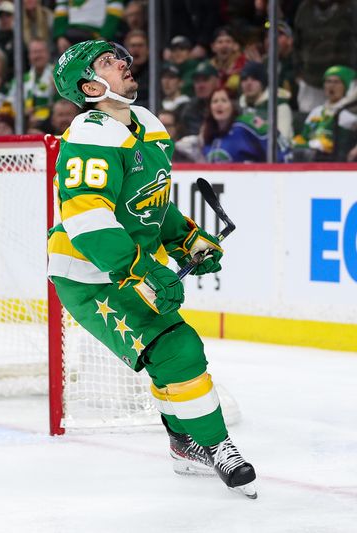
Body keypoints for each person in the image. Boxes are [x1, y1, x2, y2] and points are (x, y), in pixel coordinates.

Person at [49, 40, 257, 497]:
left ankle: (185, 441)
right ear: (89, 85)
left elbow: (150, 205)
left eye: (119, 56)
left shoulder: (147, 125)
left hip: (125, 265)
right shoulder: (89, 134)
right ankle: (213, 445)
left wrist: (186, 239)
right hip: (88, 275)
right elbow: (88, 223)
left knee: (170, 352)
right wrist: (143, 269)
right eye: (107, 63)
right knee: (177, 347)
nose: (122, 62)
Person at [200, 88, 290, 163]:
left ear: (233, 105)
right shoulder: (208, 132)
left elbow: (277, 141)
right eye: (215, 101)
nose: (219, 105)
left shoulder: (246, 124)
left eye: (224, 101)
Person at [294, 65, 357, 162]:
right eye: (328, 81)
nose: (331, 86)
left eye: (336, 82)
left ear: (346, 87)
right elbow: (304, 137)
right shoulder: (316, 111)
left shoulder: (350, 113)